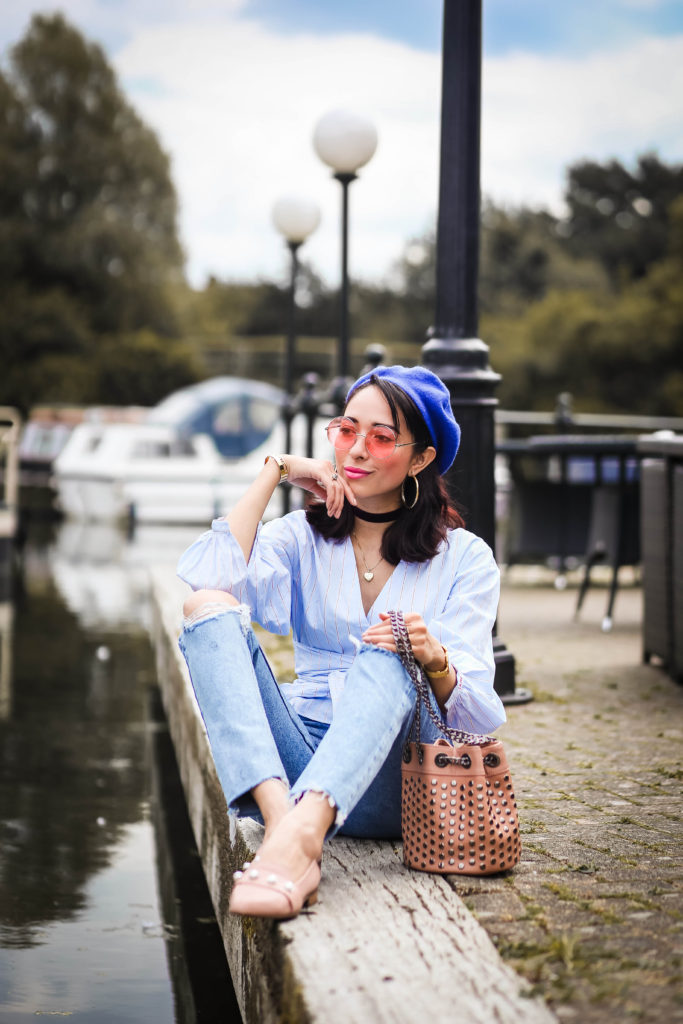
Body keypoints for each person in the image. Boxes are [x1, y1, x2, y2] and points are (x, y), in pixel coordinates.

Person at [177, 365, 505, 920]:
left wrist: (433, 656)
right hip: (298, 759)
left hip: (398, 783)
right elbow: (210, 578)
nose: (356, 450)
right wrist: (275, 471)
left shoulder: (465, 557)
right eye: (346, 430)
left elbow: (477, 714)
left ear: (421, 459)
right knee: (204, 609)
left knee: (394, 640)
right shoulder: (300, 538)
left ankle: (300, 836)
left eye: (381, 438)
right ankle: (289, 830)